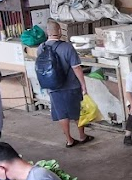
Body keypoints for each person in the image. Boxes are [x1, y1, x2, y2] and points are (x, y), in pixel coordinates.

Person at [35, 20, 94, 148]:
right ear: (60, 31)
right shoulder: (67, 47)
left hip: (52, 87)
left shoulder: (41, 48)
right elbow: (76, 68)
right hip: (71, 86)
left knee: (61, 113)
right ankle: (82, 136)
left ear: (47, 32)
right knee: (77, 112)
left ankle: (69, 140)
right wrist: (83, 85)